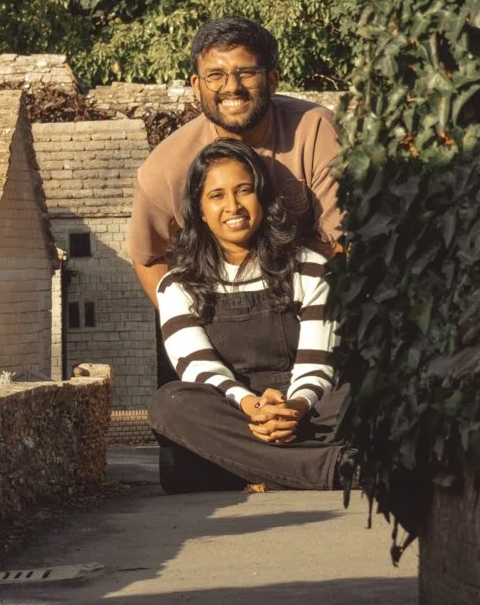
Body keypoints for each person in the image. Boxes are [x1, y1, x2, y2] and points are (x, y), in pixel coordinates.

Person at [147, 139, 355, 492]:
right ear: (198, 209)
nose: (233, 206)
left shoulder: (310, 269)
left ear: (263, 198)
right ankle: (333, 468)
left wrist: (294, 407)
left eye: (244, 191)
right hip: (231, 408)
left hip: (305, 408)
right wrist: (253, 405)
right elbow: (198, 368)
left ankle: (234, 467)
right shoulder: (178, 284)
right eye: (217, 196)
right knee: (169, 405)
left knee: (360, 398)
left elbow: (318, 363)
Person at [126, 16, 342, 303]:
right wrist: (186, 328)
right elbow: (149, 258)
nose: (232, 87)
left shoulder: (315, 130)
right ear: (196, 85)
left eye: (247, 72)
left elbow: (342, 240)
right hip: (219, 313)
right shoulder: (165, 167)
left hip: (313, 301)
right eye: (215, 75)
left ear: (272, 80)